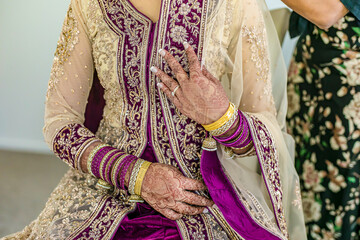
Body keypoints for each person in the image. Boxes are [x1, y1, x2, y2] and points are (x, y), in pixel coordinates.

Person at [2, 0, 305, 239]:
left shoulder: (233, 3)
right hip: (107, 183)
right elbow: (58, 120)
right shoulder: (90, 3)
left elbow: (267, 130)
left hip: (205, 194)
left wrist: (220, 116)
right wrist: (136, 174)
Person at [285, 0, 360, 238]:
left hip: (344, 81)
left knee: (338, 191)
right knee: (303, 179)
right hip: (314, 73)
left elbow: (327, 11)